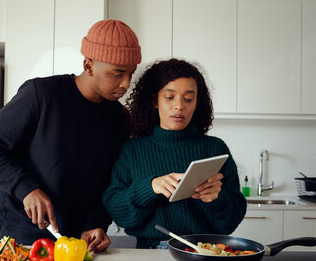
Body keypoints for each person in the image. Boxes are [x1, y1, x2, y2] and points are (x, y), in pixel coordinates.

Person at [0, 19, 141, 251]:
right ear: (89, 65)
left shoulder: (120, 118)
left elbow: (111, 182)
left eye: (130, 74)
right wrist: (27, 189)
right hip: (24, 236)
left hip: (78, 243)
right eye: (118, 73)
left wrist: (97, 224)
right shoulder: (40, 95)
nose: (126, 84)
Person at [102, 58, 246, 249]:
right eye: (169, 97)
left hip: (204, 253)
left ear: (196, 103)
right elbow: (118, 213)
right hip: (150, 254)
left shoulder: (215, 149)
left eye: (188, 99)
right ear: (155, 100)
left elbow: (229, 224)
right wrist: (151, 187)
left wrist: (216, 199)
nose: (179, 106)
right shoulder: (132, 150)